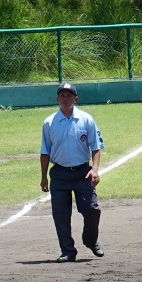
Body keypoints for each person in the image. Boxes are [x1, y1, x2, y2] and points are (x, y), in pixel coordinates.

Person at [40, 82, 106, 262]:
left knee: (92, 209)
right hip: (59, 174)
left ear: (76, 99)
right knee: (60, 214)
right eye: (62, 95)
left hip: (83, 172)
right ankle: (68, 251)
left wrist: (94, 169)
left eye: (69, 95)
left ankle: (90, 240)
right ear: (57, 99)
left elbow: (96, 146)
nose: (65, 98)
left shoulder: (86, 119)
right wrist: (44, 176)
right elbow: (45, 151)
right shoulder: (49, 123)